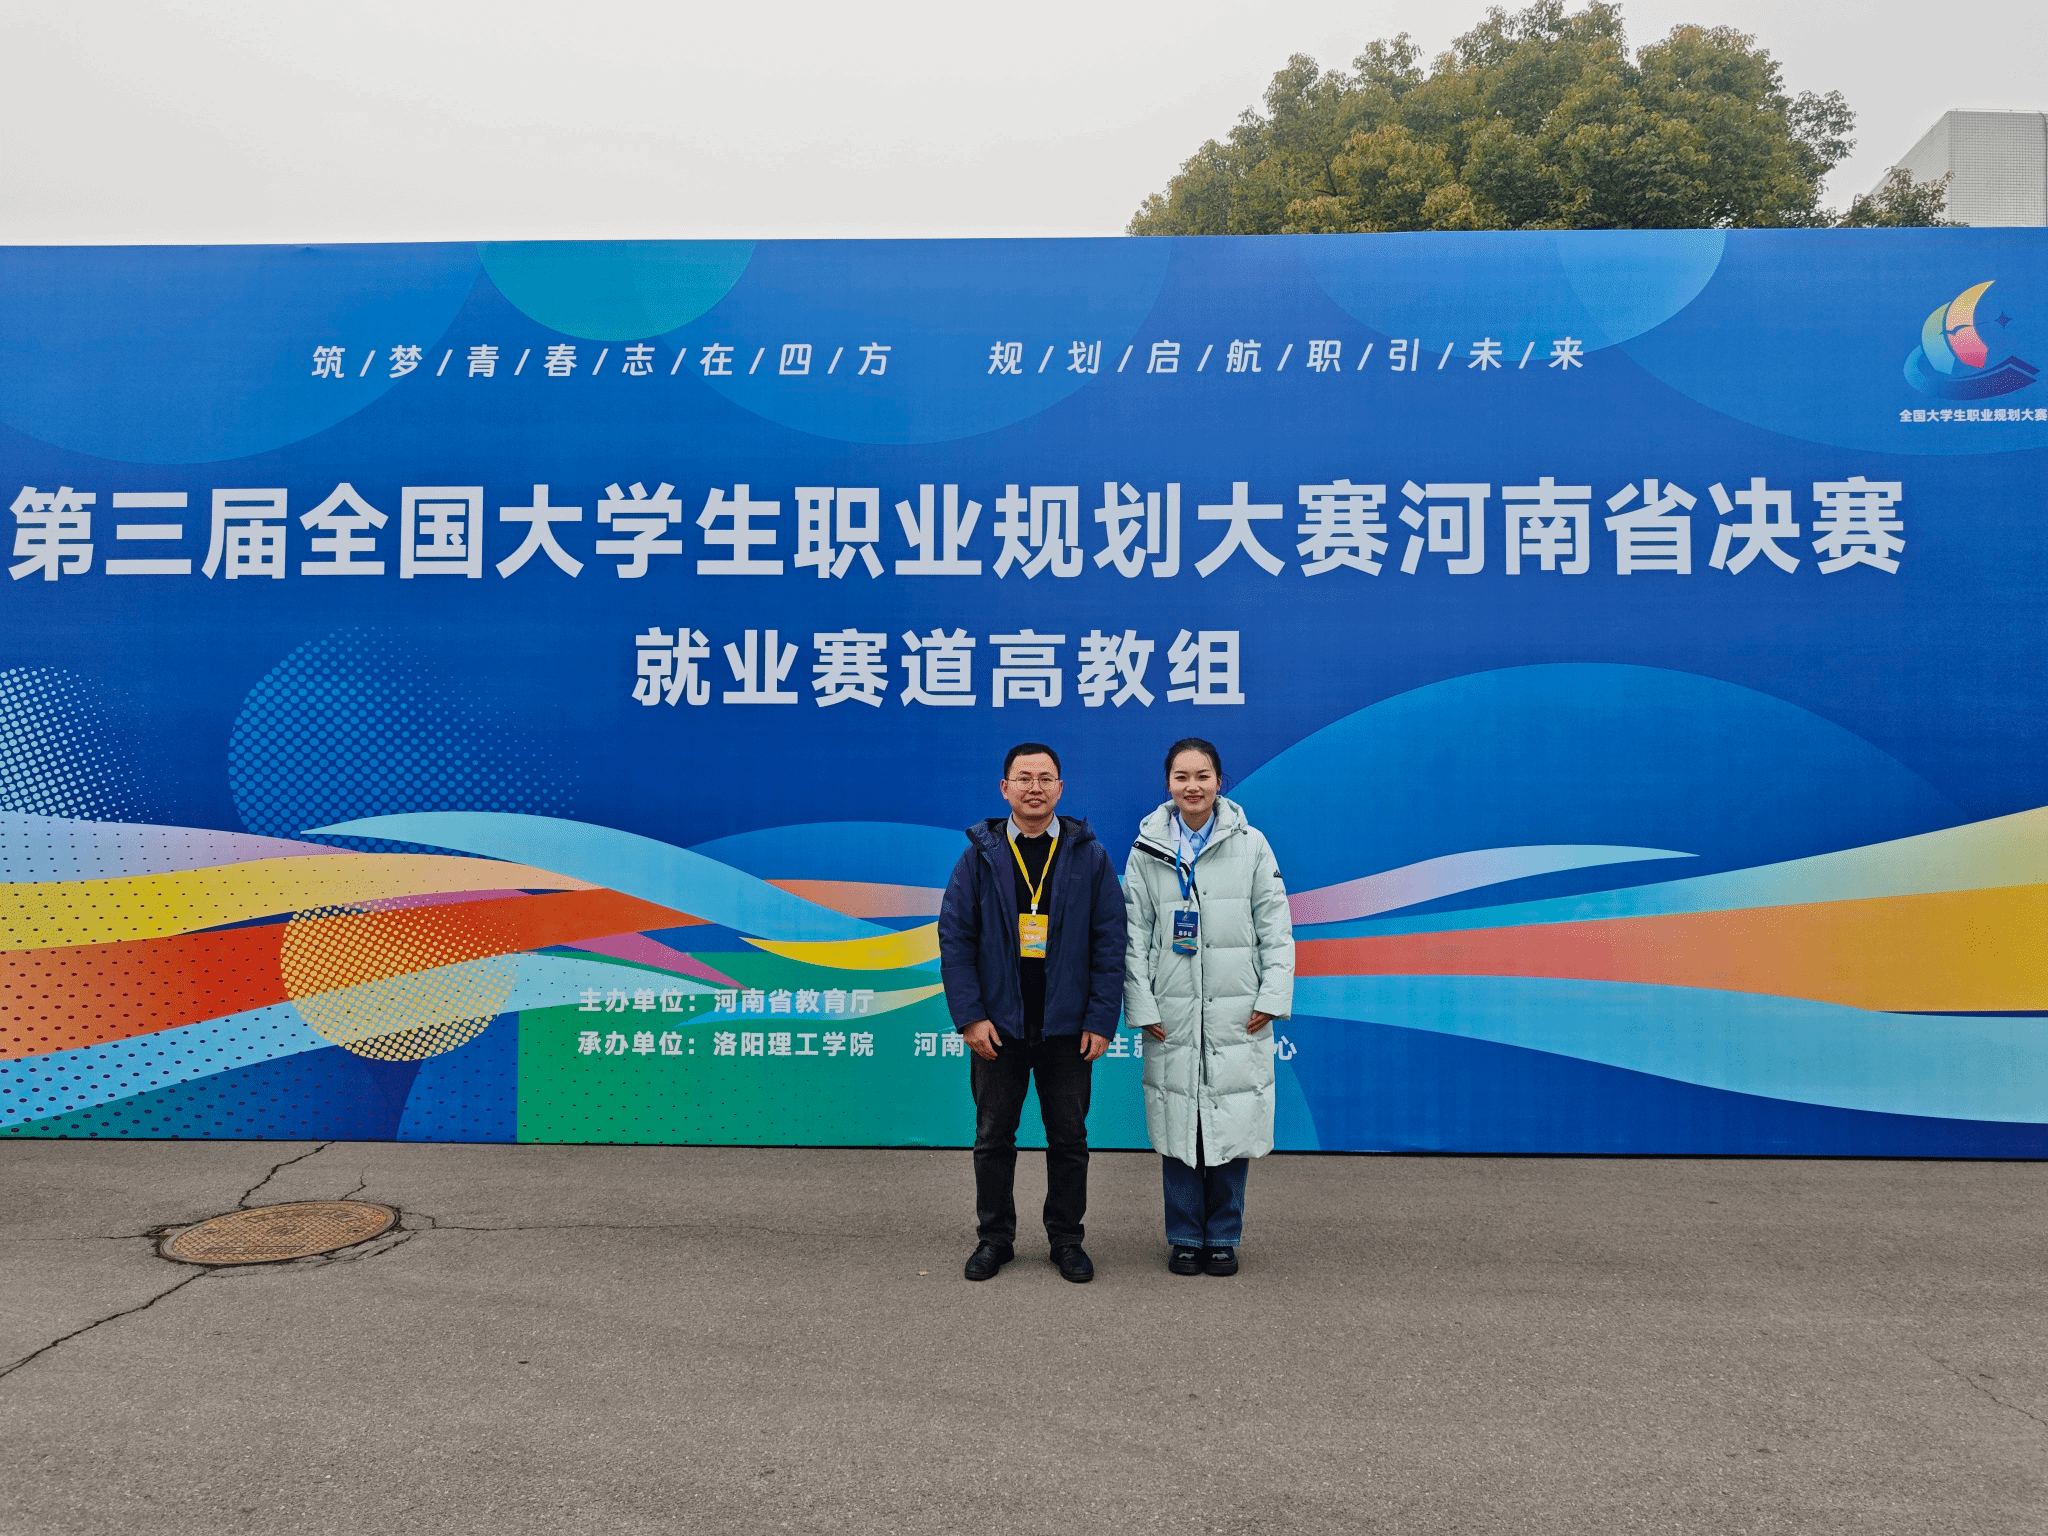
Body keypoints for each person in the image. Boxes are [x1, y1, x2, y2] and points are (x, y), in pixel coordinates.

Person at [937, 742, 1127, 1283]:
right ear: (1005, 789)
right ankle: (994, 1239)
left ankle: (1067, 1240)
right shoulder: (980, 856)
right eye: (1024, 778)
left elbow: (1110, 942)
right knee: (993, 1138)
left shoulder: (1089, 855)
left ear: (1060, 789)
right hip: (998, 1027)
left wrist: (1100, 1019)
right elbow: (955, 938)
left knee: (1069, 1139)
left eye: (1045, 778)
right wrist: (971, 1017)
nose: (1034, 788)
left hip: (1068, 1028)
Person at [1121, 737, 1294, 1276]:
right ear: (1168, 783)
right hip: (1171, 1008)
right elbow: (1133, 934)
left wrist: (1272, 996)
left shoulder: (1251, 845)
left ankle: (1222, 1236)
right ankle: (1182, 1236)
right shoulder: (1147, 849)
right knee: (1179, 1125)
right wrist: (1142, 1002)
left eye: (1202, 776)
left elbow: (1276, 926)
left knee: (1231, 1120)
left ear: (1220, 781)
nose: (1192, 786)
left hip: (1237, 1007)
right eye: (1181, 776)